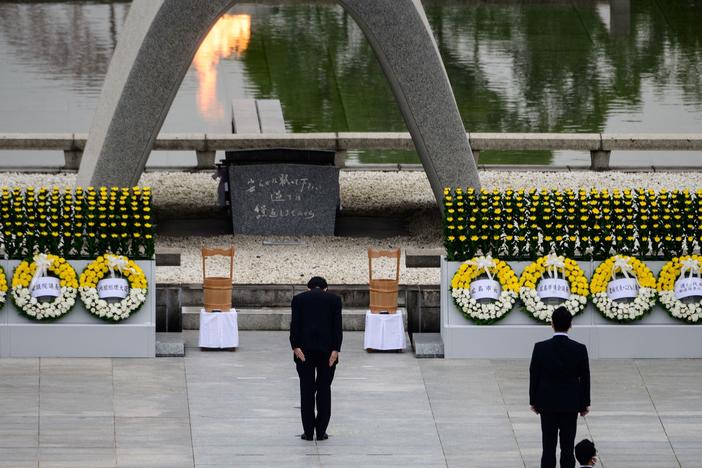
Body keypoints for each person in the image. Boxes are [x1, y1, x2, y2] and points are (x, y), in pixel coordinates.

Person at [529, 306, 591, 468]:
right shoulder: (579, 348)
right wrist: (584, 403)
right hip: (570, 405)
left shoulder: (540, 347)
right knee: (567, 448)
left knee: (548, 448)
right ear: (570, 324)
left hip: (547, 404)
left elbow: (534, 375)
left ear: (552, 324)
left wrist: (533, 401)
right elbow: (585, 378)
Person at [290, 276, 343, 441]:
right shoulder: (334, 300)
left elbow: (295, 325)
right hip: (327, 353)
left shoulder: (298, 299)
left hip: (304, 352)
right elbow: (337, 327)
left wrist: (295, 346)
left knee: (306, 391)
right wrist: (336, 349)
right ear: (325, 288)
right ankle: (321, 432)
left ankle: (308, 432)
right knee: (324, 390)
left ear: (308, 288)